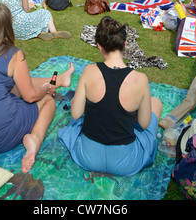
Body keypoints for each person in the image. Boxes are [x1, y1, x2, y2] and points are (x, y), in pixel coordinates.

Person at [0, 2, 75, 172]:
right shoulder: (13, 55)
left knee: (15, 85)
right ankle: (35, 140)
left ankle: (60, 79)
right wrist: (46, 89)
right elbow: (31, 97)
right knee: (48, 100)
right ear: (8, 27)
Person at [58, 15, 163, 176]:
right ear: (125, 44)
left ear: (99, 46)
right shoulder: (140, 79)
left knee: (76, 121)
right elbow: (143, 123)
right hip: (126, 161)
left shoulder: (89, 71)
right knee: (156, 104)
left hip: (88, 156)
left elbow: (76, 113)